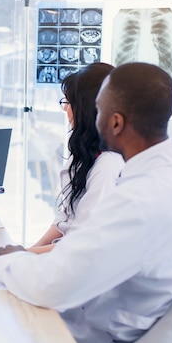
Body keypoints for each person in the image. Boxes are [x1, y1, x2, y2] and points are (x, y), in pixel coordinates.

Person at [0, 62, 172, 343]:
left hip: (96, 342)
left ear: (115, 123)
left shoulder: (140, 200)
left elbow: (54, 285)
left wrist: (10, 259)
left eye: (98, 110)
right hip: (131, 325)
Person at [29, 63, 124, 254]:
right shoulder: (86, 155)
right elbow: (65, 221)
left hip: (81, 264)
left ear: (87, 108)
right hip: (65, 254)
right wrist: (25, 252)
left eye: (68, 102)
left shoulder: (108, 166)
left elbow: (82, 244)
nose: (65, 110)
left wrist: (24, 255)